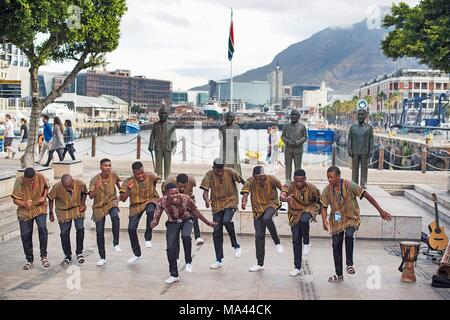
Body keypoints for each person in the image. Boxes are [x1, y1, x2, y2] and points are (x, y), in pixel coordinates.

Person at [320, 166, 392, 282]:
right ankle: (339, 275)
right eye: (328, 177)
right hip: (337, 220)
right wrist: (324, 221)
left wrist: (381, 211)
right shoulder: (327, 190)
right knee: (336, 244)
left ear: (338, 176)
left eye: (332, 177)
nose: (329, 179)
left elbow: (367, 196)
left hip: (351, 217)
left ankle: (349, 264)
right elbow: (323, 206)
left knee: (349, 235)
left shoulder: (350, 185)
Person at [150, 183, 216, 284]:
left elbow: (196, 212)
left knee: (185, 236)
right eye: (172, 194)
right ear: (166, 194)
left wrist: (208, 223)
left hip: (187, 219)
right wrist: (154, 222)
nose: (175, 195)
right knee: (170, 248)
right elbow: (157, 216)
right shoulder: (162, 201)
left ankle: (188, 262)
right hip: (172, 222)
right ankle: (174, 275)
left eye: (176, 192)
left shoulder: (186, 198)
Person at [200, 158, 245, 269]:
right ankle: (218, 259)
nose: (220, 172)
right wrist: (206, 200)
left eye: (221, 170)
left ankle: (236, 245)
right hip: (216, 204)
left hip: (231, 200)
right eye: (217, 170)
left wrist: (246, 194)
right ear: (213, 168)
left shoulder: (230, 172)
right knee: (216, 231)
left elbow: (245, 182)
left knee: (226, 221)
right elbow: (205, 192)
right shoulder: (209, 175)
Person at [241, 166, 284, 272]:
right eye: (257, 178)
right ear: (253, 176)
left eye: (261, 177)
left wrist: (284, 195)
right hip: (257, 210)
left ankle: (277, 242)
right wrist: (244, 201)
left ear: (264, 174)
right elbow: (245, 192)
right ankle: (260, 264)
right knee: (259, 236)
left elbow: (283, 187)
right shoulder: (250, 181)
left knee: (267, 218)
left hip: (272, 204)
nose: (259, 180)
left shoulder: (271, 179)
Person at [280, 169, 321, 276]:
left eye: (301, 181)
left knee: (304, 219)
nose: (299, 183)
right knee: (296, 239)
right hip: (294, 213)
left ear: (305, 179)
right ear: (293, 179)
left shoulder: (311, 188)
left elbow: (320, 199)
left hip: (309, 208)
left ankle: (307, 242)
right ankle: (297, 267)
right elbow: (282, 196)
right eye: (296, 180)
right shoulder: (289, 186)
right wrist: (285, 198)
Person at [119, 161, 160, 264]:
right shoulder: (128, 181)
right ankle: (137, 254)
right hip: (136, 206)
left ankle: (148, 237)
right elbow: (123, 199)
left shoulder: (150, 176)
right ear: (133, 172)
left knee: (150, 211)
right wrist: (128, 189)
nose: (141, 175)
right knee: (131, 229)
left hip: (151, 200)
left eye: (142, 172)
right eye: (138, 174)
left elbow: (155, 179)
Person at [11, 168, 50, 270]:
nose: (32, 182)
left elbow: (47, 187)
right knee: (25, 234)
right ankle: (29, 260)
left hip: (39, 207)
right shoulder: (19, 181)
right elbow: (15, 199)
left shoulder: (40, 177)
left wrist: (43, 197)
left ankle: (44, 256)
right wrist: (24, 203)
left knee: (42, 228)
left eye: (33, 180)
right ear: (25, 178)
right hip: (25, 210)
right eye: (29, 181)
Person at [47, 174, 88, 266]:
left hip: (77, 208)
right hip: (63, 210)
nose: (68, 189)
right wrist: (51, 212)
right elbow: (50, 198)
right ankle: (67, 256)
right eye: (66, 187)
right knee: (64, 233)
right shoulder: (57, 187)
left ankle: (79, 252)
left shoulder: (80, 183)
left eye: (70, 186)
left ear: (73, 181)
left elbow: (84, 192)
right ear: (62, 183)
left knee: (80, 228)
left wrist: (83, 204)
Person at [89, 158, 122, 266]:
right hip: (99, 206)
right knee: (99, 233)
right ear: (101, 167)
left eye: (109, 165)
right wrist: (96, 188)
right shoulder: (94, 180)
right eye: (105, 166)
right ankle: (102, 257)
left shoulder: (114, 175)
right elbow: (90, 196)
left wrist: (120, 195)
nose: (108, 167)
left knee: (115, 216)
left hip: (111, 202)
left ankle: (116, 243)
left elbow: (120, 187)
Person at [162, 173, 205, 246]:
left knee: (194, 213)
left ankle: (198, 237)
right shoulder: (170, 181)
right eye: (180, 187)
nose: (182, 189)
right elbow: (163, 192)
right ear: (176, 183)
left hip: (187, 200)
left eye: (184, 186)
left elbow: (192, 190)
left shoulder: (191, 180)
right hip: (175, 202)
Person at [148, 107, 177, 179]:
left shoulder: (172, 125)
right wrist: (150, 145)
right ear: (158, 114)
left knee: (167, 164)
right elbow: (152, 136)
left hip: (168, 147)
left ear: (168, 114)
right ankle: (158, 177)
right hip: (158, 147)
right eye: (161, 113)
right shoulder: (155, 125)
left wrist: (174, 146)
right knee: (158, 163)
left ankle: (167, 178)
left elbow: (174, 137)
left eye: (165, 113)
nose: (163, 115)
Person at [348, 109, 374, 189]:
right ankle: (354, 183)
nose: (360, 116)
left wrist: (371, 150)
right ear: (356, 116)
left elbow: (371, 140)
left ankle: (363, 183)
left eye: (362, 115)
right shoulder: (353, 128)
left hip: (365, 151)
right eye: (359, 114)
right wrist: (349, 148)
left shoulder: (369, 128)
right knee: (354, 168)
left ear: (365, 116)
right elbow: (349, 139)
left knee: (364, 168)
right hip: (355, 150)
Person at [281, 109, 307, 183]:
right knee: (288, 166)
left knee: (298, 167)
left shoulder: (302, 126)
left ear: (298, 116)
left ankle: (297, 181)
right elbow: (283, 136)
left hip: (298, 149)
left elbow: (305, 137)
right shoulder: (285, 126)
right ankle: (287, 181)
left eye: (295, 115)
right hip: (288, 149)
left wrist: (298, 142)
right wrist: (288, 142)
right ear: (290, 116)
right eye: (292, 115)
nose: (294, 116)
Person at [219, 111, 242, 176]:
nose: (229, 118)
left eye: (231, 116)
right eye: (227, 116)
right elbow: (220, 137)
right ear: (225, 118)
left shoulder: (236, 127)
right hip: (224, 147)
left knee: (234, 161)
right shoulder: (221, 127)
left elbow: (238, 138)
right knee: (224, 161)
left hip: (233, 147)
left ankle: (236, 175)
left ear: (234, 118)